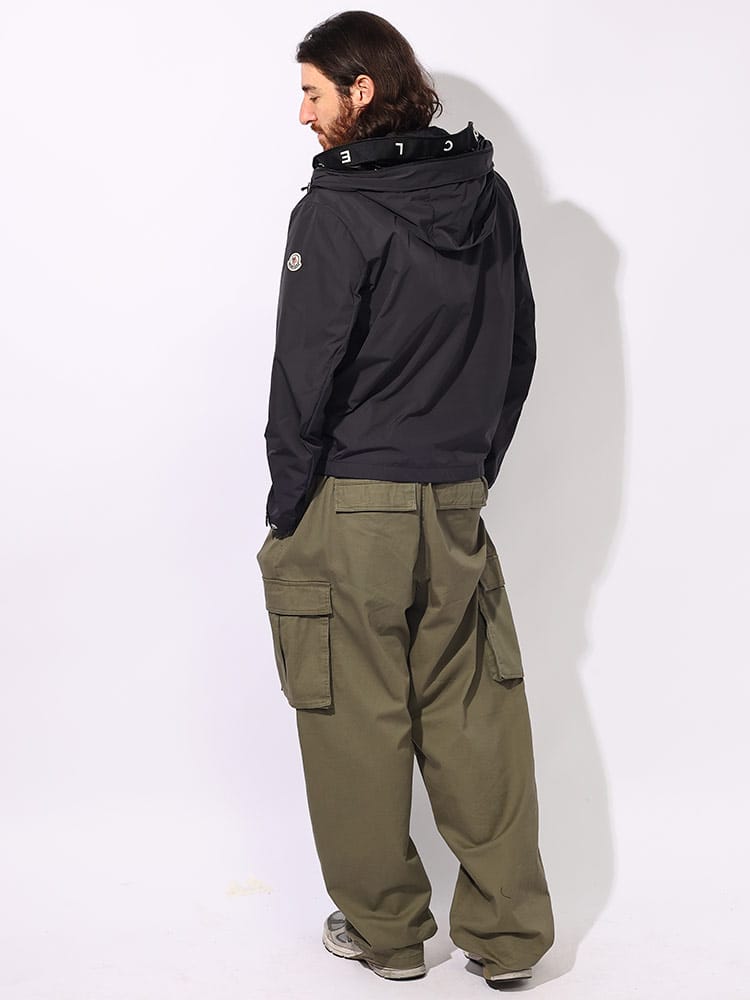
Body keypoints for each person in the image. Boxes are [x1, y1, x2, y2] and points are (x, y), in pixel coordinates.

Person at [255, 10, 554, 990]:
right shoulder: (487, 195)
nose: (302, 114)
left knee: (354, 720)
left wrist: (290, 509)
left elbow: (303, 379)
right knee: (474, 713)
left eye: (312, 93)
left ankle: (387, 936)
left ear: (361, 90)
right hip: (453, 497)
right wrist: (470, 473)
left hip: (351, 505)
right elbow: (517, 347)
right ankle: (509, 937)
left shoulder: (334, 210)